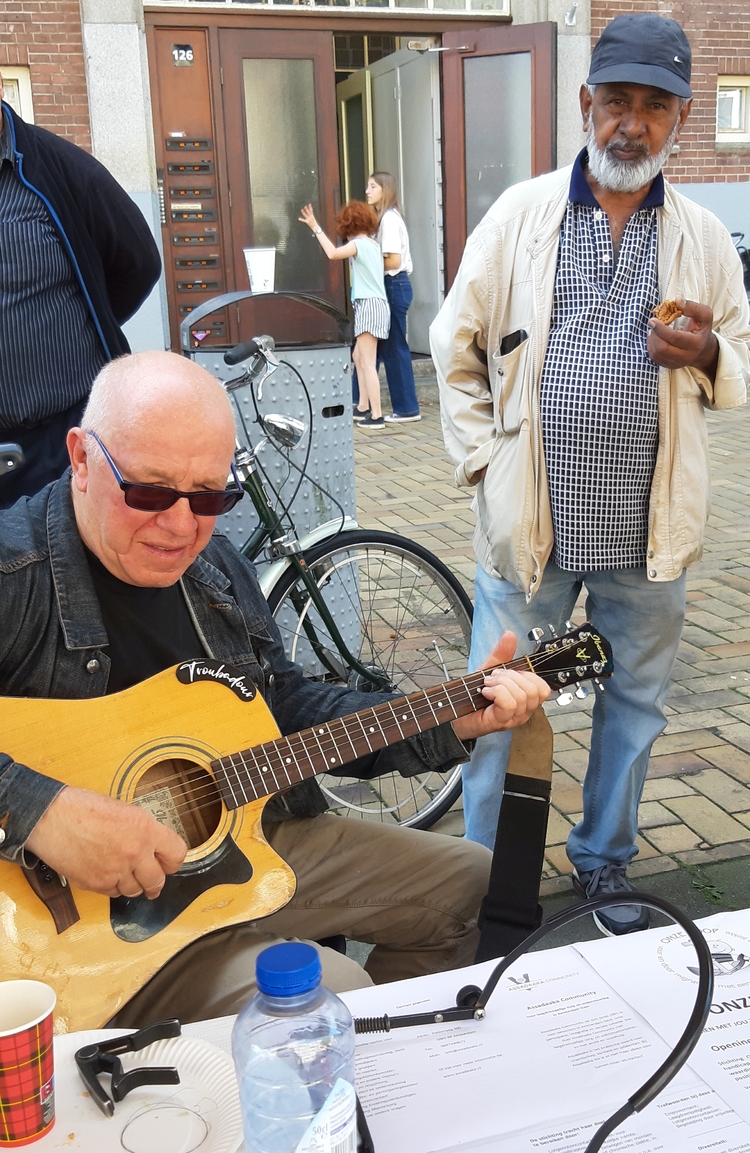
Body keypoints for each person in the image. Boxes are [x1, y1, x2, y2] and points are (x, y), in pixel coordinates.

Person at [0, 350, 549, 1024]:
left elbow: (286, 708)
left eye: (210, 495)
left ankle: (382, 1068)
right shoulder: (13, 573)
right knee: (329, 993)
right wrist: (41, 811)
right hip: (74, 925)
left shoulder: (216, 569)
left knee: (470, 881)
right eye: (149, 490)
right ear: (80, 457)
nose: (181, 526)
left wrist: (454, 717)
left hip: (243, 844)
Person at [431, 12, 750, 937]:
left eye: (656, 107)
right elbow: (454, 348)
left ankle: (605, 864)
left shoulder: (701, 238)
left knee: (634, 710)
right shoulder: (521, 216)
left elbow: (742, 359)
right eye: (618, 101)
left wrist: (708, 356)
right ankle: (487, 878)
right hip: (530, 527)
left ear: (681, 119)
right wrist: (484, 464)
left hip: (647, 535)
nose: (632, 125)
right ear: (585, 104)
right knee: (497, 708)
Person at [0, 75, 161, 508]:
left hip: (59, 444)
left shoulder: (58, 168)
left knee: (67, 574)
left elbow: (138, 263)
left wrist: (84, 325)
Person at [300, 201, 389, 430]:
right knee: (358, 357)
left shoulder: (358, 244)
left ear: (348, 224)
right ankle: (362, 406)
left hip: (368, 306)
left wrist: (315, 227)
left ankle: (377, 415)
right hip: (375, 305)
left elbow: (332, 253)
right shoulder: (373, 244)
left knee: (368, 363)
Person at [366, 172, 421, 423]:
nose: (367, 191)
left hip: (393, 284)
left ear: (384, 190)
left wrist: (367, 258)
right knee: (387, 347)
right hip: (393, 285)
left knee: (395, 347)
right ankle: (378, 406)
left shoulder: (388, 219)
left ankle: (407, 408)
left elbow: (394, 260)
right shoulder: (386, 218)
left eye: (373, 186)